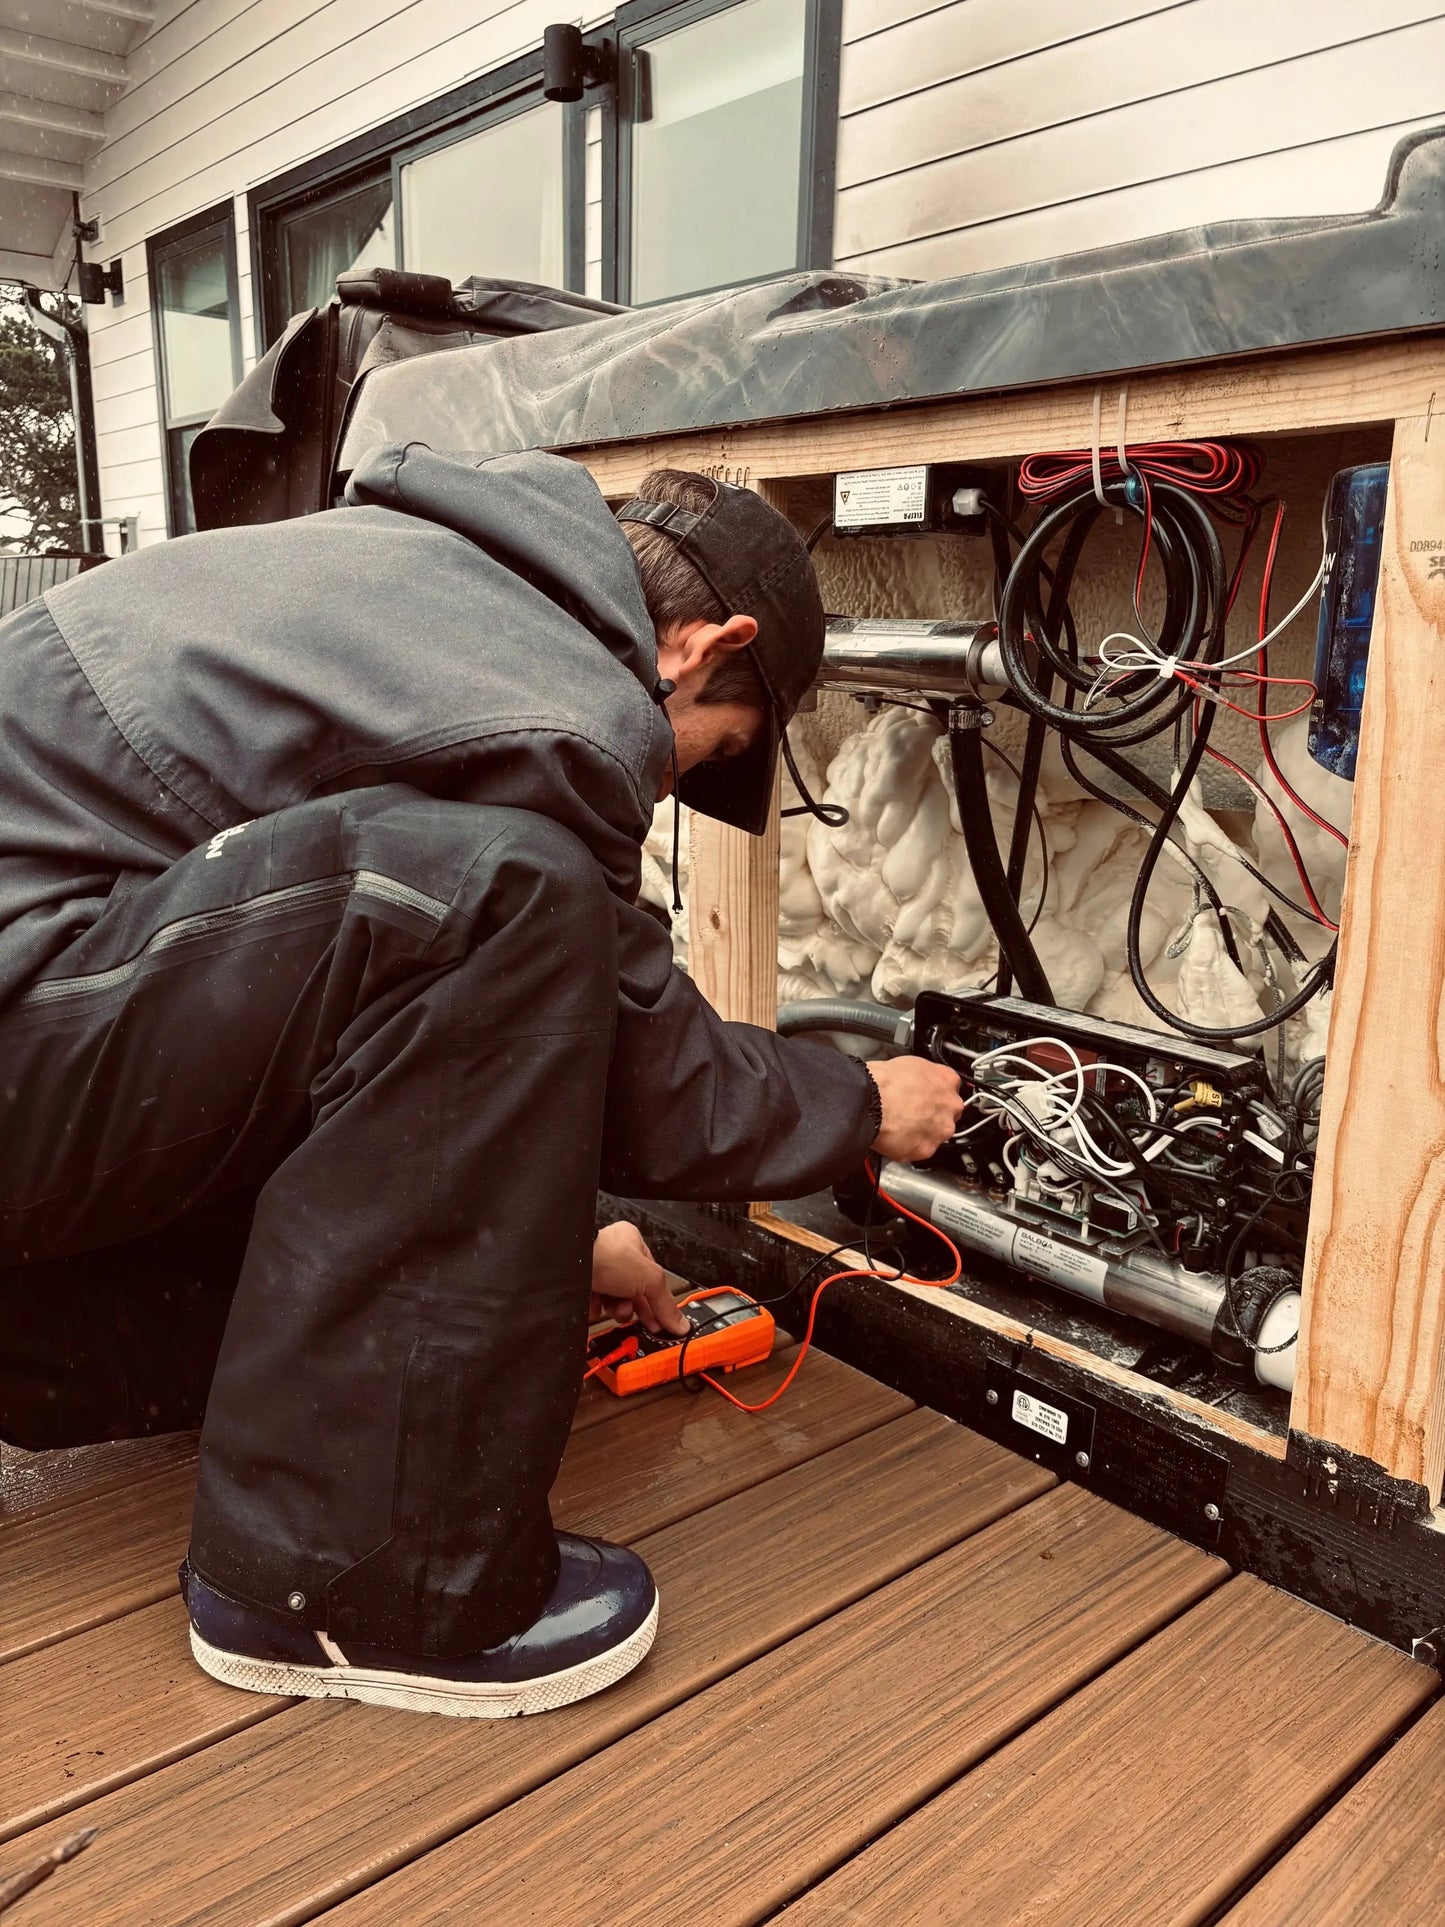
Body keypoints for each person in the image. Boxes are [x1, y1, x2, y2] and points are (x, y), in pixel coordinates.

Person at [0, 448, 962, 1718]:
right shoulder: (550, 690)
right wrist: (859, 1107)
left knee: (441, 908)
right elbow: (646, 1073)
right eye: (696, 756)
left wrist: (553, 1256)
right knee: (503, 897)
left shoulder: (439, 584)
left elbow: (335, 1039)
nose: (659, 782)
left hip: (44, 1059)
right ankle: (364, 1590)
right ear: (696, 643)